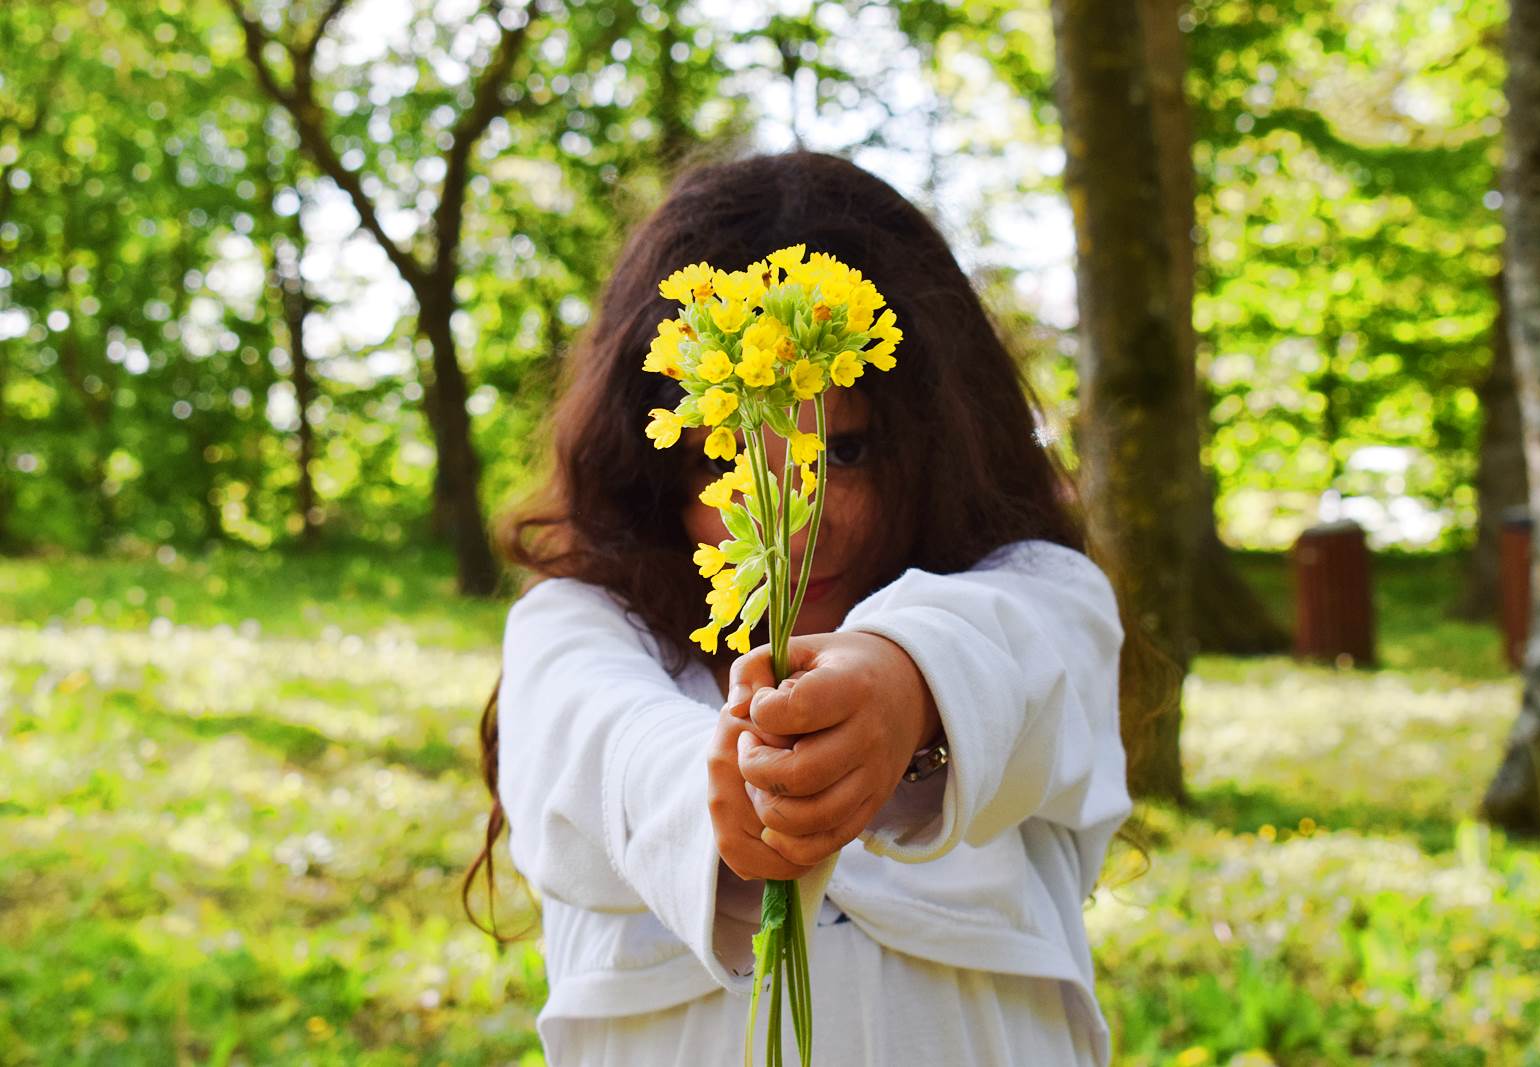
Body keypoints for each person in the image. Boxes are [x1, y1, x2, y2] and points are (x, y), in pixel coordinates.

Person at [464, 149, 1161, 1066]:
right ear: (646, 465)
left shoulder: (1041, 594)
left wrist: (911, 687)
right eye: (727, 455)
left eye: (847, 453)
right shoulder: (578, 627)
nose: (791, 519)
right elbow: (595, 745)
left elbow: (1022, 653)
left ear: (942, 439)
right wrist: (724, 789)